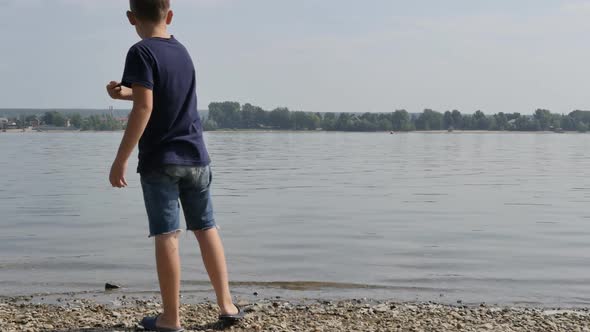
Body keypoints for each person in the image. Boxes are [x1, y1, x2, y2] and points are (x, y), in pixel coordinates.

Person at [106, 1, 243, 330]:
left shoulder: (140, 51)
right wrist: (126, 92)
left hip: (161, 161)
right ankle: (227, 305)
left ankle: (171, 318)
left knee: (167, 236)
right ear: (169, 16)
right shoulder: (182, 51)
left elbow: (145, 107)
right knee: (206, 228)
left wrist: (120, 160)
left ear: (130, 18)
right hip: (196, 157)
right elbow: (163, 94)